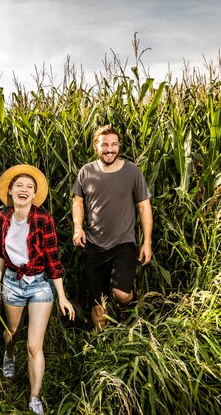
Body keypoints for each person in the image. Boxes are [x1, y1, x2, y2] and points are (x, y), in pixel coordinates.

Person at [0, 164, 75, 415]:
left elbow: (53, 260)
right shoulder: (4, 217)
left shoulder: (43, 219)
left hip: (40, 284)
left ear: (34, 194)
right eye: (19, 185)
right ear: (10, 190)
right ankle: (9, 355)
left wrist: (62, 296)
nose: (24, 190)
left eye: (29, 186)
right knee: (13, 333)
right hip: (11, 282)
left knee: (33, 345)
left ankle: (34, 397)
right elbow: (0, 252)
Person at [72, 124, 153, 330]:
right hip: (94, 245)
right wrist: (78, 228)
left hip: (123, 243)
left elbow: (144, 207)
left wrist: (147, 242)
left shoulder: (132, 171)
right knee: (99, 307)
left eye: (114, 144)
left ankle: (126, 305)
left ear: (119, 146)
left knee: (122, 294)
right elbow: (78, 203)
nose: (110, 149)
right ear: (95, 146)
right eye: (105, 144)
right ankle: (103, 350)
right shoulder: (86, 172)